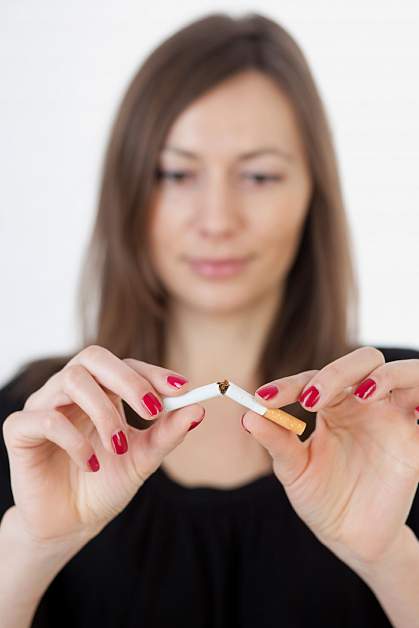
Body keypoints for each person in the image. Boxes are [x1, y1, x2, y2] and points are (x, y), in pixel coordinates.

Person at [1, 11, 418, 628]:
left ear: (313, 193)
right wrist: (29, 553)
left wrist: (391, 559)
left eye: (258, 175)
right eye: (176, 173)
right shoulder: (42, 431)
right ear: (129, 191)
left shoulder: (398, 419)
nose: (218, 219)